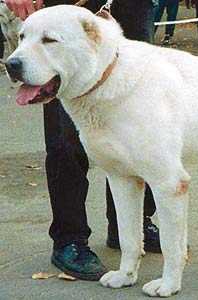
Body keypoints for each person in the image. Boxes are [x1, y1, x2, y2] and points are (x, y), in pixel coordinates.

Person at [5, 0, 161, 281]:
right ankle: (69, 238)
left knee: (139, 125)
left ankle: (131, 227)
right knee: (66, 133)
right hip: (62, 8)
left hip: (131, 5)